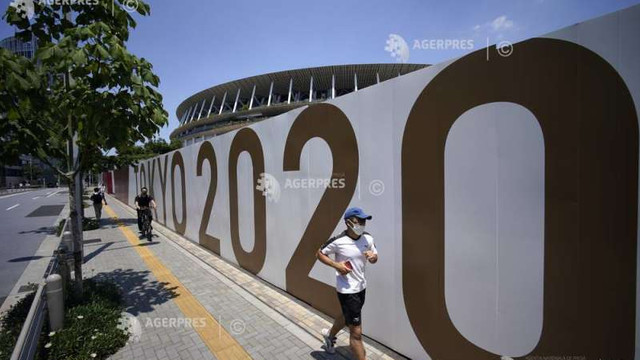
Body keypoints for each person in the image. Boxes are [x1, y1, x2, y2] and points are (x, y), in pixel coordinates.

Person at [316, 207, 378, 359]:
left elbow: (375, 257)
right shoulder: (339, 240)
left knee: (346, 316)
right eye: (359, 221)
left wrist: (372, 257)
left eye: (364, 221)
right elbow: (319, 253)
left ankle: (329, 337)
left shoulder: (368, 238)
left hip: (361, 287)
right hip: (347, 290)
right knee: (356, 334)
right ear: (348, 222)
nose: (362, 224)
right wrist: (336, 265)